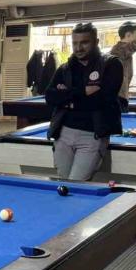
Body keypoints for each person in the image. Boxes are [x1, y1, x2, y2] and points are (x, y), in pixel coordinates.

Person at [45, 23, 123, 181]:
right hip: (63, 134)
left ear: (96, 42)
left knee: (76, 183)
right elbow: (50, 97)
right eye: (75, 43)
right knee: (64, 183)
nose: (78, 48)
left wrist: (67, 98)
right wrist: (82, 92)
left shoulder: (111, 64)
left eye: (84, 42)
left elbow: (102, 100)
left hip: (92, 135)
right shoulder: (65, 68)